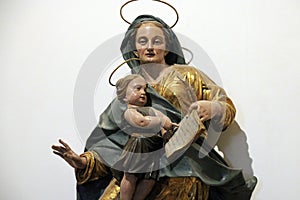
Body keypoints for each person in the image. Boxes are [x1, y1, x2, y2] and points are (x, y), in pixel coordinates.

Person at [52, 15, 257, 200]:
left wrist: (213, 108)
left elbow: (224, 104)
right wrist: (83, 163)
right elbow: (111, 143)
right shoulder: (129, 89)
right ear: (134, 48)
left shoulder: (188, 74)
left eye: (156, 41)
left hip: (182, 168)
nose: (149, 47)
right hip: (136, 170)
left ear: (167, 47)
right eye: (143, 41)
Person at [113, 74, 177, 200]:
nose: (143, 92)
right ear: (124, 96)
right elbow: (141, 122)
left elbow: (163, 120)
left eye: (145, 90)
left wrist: (166, 131)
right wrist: (160, 121)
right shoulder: (130, 112)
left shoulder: (150, 110)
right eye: (138, 89)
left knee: (150, 179)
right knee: (130, 175)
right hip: (139, 145)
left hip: (153, 148)